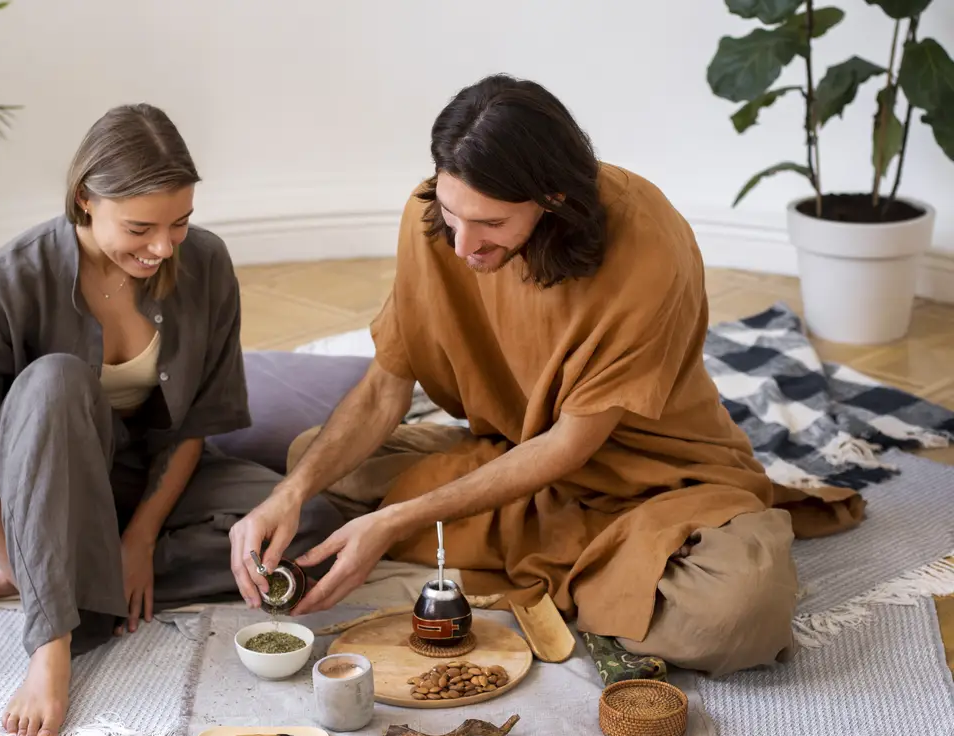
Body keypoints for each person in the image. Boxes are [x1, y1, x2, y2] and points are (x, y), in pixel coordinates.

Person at [229, 75, 864, 683]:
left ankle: (552, 570)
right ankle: (599, 580)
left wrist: (396, 525)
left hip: (659, 483)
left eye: (491, 225)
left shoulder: (646, 241)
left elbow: (569, 445)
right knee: (309, 465)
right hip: (516, 463)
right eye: (452, 215)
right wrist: (290, 492)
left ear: (553, 199)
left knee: (735, 619)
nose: (462, 247)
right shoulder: (439, 217)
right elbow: (384, 388)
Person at [0, 104, 343, 736]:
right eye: (140, 227)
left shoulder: (204, 265)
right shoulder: (2, 288)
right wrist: (16, 560)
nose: (161, 247)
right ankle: (52, 636)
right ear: (84, 201)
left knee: (308, 527)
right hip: (43, 489)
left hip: (142, 480)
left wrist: (141, 540)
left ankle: (75, 577)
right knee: (55, 380)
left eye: (178, 223)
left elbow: (196, 424)